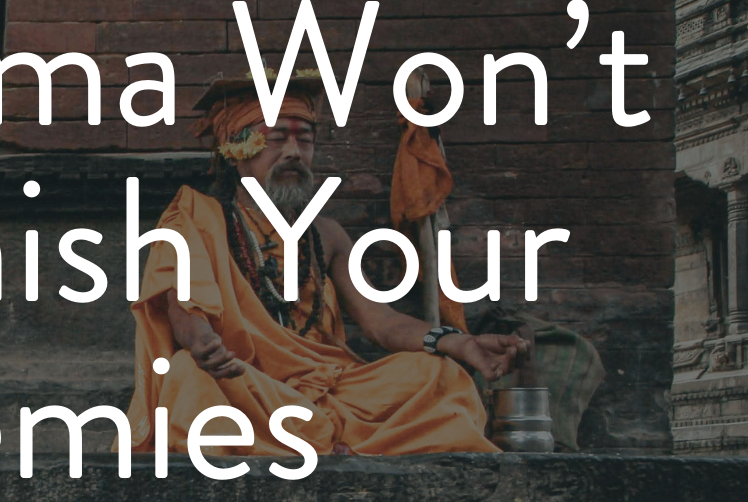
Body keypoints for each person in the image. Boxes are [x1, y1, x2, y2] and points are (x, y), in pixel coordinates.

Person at [125, 70, 521, 456]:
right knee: (187, 376)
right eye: (276, 139)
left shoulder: (326, 235)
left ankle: (322, 438)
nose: (294, 153)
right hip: (247, 384)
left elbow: (382, 323)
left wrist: (459, 343)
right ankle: (330, 441)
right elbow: (182, 306)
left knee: (440, 376)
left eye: (305, 140)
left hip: (331, 387)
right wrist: (202, 343)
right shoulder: (196, 218)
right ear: (235, 152)